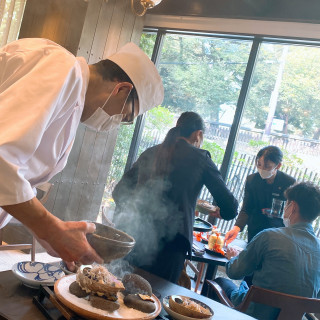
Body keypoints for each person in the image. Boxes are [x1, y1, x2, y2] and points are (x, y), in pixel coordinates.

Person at [0, 38, 164, 265]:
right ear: (122, 89)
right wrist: (51, 229)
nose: (115, 124)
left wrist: (47, 231)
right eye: (125, 118)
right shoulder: (60, 67)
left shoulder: (72, 106)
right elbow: (2, 160)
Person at [112, 111, 238, 283]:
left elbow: (119, 192)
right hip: (171, 247)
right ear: (198, 134)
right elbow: (230, 208)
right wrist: (219, 211)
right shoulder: (201, 158)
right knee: (155, 300)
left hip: (135, 236)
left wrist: (131, 216)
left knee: (121, 290)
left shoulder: (151, 152)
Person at [213, 182, 320, 320]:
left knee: (220, 282)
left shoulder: (269, 236)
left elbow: (235, 272)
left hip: (251, 315)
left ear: (292, 207)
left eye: (286, 204)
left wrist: (233, 257)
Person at [225, 145, 296, 245]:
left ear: (278, 165)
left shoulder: (288, 182)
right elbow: (246, 208)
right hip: (255, 229)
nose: (262, 169)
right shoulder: (252, 180)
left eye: (267, 166)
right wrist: (236, 228)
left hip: (278, 232)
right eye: (259, 164)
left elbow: (292, 211)